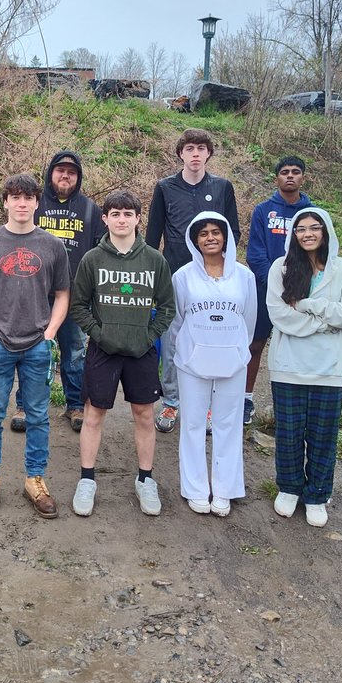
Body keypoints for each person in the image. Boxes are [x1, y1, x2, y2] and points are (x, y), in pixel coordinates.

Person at [0, 173, 70, 520]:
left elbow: (62, 294)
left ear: (37, 203)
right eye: (15, 197)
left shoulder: (52, 246)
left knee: (39, 417)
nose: (22, 204)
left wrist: (51, 332)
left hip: (37, 345)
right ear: (6, 203)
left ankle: (35, 480)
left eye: (28, 198)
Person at [68, 190, 174, 518]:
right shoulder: (93, 259)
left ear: (138, 219)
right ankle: (87, 479)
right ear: (105, 219)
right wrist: (99, 335)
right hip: (103, 350)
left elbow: (168, 308)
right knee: (94, 414)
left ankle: (145, 479)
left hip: (141, 352)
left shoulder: (155, 260)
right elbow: (78, 305)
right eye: (115, 214)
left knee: (144, 414)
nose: (122, 219)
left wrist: (148, 337)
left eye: (128, 214)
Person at [266, 208, 342, 527]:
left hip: (329, 368)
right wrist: (324, 324)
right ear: (293, 235)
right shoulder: (281, 268)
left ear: (326, 231)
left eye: (314, 228)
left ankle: (318, 494)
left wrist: (308, 306)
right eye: (300, 229)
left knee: (323, 434)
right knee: (289, 431)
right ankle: (290, 487)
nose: (307, 233)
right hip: (288, 364)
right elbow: (279, 315)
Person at [146, 127, 241, 434]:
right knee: (173, 341)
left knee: (211, 339)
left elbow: (233, 232)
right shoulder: (165, 187)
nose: (196, 154)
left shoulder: (223, 187)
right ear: (181, 154)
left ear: (209, 154)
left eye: (202, 148)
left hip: (213, 279)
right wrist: (152, 276)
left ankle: (209, 407)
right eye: (190, 149)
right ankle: (172, 402)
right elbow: (152, 236)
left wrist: (225, 272)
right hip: (174, 275)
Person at [167, 212, 257, 518]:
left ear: (226, 237)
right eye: (203, 233)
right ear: (195, 240)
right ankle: (195, 488)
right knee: (192, 424)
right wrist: (185, 354)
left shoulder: (244, 276)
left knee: (227, 426)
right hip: (192, 362)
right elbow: (176, 321)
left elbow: (249, 321)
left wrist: (236, 349)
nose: (209, 237)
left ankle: (225, 490)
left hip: (232, 361)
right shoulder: (182, 277)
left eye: (215, 232)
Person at [11, 151, 106, 433]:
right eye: (60, 170)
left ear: (78, 178)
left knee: (74, 351)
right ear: (50, 173)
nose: (65, 176)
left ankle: (75, 405)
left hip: (75, 296)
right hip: (35, 293)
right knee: (29, 349)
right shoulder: (35, 207)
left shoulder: (90, 210)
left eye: (71, 172)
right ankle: (24, 405)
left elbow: (101, 251)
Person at [245, 157, 312, 425]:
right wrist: (274, 286)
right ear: (277, 179)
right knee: (255, 345)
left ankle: (291, 404)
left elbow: (317, 253)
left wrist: (297, 287)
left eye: (296, 172)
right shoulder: (264, 211)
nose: (290, 176)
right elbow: (255, 253)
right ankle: (245, 399)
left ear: (303, 178)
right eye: (284, 172)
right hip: (264, 290)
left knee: (296, 345)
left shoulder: (312, 212)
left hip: (301, 293)